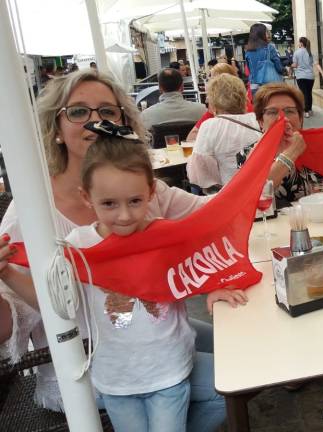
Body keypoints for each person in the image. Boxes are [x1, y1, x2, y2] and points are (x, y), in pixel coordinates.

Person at [0, 70, 222, 428]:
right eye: (78, 112)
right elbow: (17, 319)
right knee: (229, 379)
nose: (94, 121)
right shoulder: (29, 213)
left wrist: (274, 164)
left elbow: (215, 210)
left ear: (123, 121)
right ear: (55, 128)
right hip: (88, 359)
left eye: (107, 111)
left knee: (235, 342)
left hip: (151, 333)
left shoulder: (142, 189)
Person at [67, 131, 246, 431]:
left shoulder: (164, 235)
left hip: (169, 371)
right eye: (109, 203)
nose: (124, 215)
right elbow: (49, 299)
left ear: (151, 193)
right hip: (115, 380)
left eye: (135, 201)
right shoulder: (77, 245)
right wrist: (6, 272)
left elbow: (194, 265)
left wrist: (213, 287)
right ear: (87, 197)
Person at [239, 83, 323, 208]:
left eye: (289, 111)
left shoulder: (320, 149)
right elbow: (252, 195)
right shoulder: (248, 154)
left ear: (301, 119)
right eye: (272, 112)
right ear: (260, 122)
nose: (283, 118)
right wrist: (291, 153)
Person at [187, 74, 262, 191]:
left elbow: (198, 172)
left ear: (214, 101)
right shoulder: (257, 120)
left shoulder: (209, 126)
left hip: (230, 193)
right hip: (260, 188)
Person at [186, 63, 254, 142]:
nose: (208, 84)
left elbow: (191, 138)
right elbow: (191, 137)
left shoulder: (216, 109)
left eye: (212, 79)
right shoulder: (249, 109)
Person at [140, 68, 207, 130]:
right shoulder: (202, 111)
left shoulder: (146, 115)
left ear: (160, 88)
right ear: (182, 87)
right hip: (194, 143)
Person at [244, 23, 284, 98]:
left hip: (254, 85)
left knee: (259, 107)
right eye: (265, 31)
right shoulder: (269, 47)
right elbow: (278, 66)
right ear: (261, 34)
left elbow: (250, 70)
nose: (267, 34)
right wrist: (283, 70)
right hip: (269, 84)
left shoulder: (248, 51)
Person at [292, 37, 323, 118]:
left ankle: (306, 111)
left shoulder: (296, 53)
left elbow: (295, 65)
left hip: (300, 76)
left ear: (301, 43)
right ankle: (309, 109)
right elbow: (317, 64)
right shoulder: (311, 53)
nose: (298, 44)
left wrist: (291, 65)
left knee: (304, 93)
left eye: (299, 42)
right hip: (310, 76)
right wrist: (322, 73)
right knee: (309, 93)